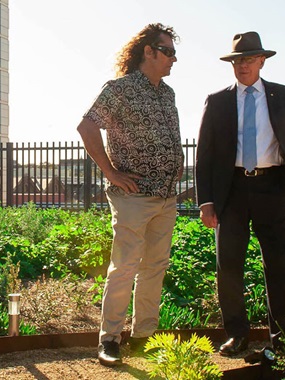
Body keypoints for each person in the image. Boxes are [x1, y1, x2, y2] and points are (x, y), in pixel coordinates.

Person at [194, 31, 285, 361]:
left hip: (271, 188)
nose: (242, 66)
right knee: (228, 265)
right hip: (231, 190)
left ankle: (283, 338)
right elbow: (204, 155)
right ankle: (237, 335)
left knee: (277, 263)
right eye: (236, 60)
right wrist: (206, 201)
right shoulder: (217, 101)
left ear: (262, 61)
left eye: (248, 59)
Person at [76, 23, 182, 367]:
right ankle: (110, 338)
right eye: (167, 51)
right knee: (124, 267)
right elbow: (87, 126)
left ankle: (144, 338)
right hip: (133, 197)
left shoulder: (167, 93)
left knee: (154, 268)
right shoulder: (120, 89)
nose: (173, 59)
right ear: (148, 51)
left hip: (166, 197)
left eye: (174, 53)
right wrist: (110, 173)